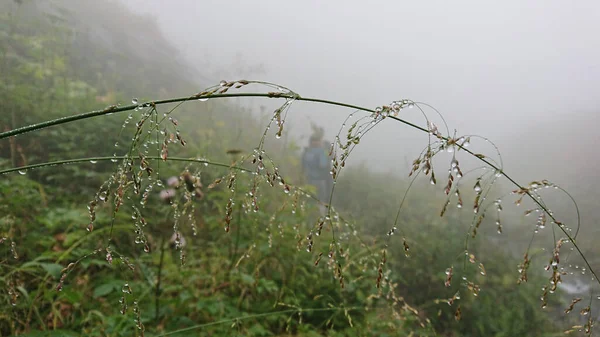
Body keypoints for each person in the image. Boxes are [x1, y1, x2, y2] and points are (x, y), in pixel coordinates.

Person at [302, 133, 329, 214]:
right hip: (319, 180)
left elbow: (303, 165)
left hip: (308, 179)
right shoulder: (321, 151)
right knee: (321, 202)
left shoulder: (307, 151)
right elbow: (323, 165)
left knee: (309, 200)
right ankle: (321, 220)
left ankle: (307, 217)